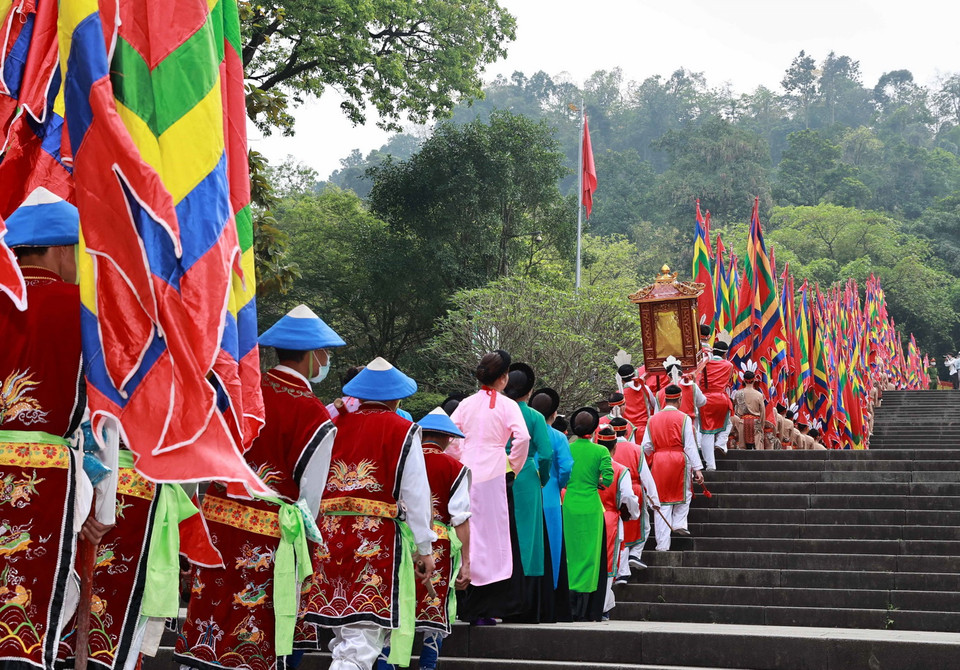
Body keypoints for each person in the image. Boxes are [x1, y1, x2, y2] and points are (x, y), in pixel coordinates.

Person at [176, 305, 341, 670]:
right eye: (325, 353)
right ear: (313, 356)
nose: (326, 360)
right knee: (252, 627)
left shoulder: (240, 389)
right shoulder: (314, 415)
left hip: (215, 522)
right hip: (267, 535)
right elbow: (310, 499)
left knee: (208, 610)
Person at [0, 191, 115, 669]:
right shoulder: (86, 312)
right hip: (47, 480)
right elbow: (105, 417)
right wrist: (103, 505)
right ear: (64, 250)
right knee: (31, 617)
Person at [299, 357, 436, 670]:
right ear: (396, 398)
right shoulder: (404, 430)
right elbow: (416, 494)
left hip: (329, 538)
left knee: (344, 637)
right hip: (375, 542)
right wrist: (425, 547)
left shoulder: (333, 426)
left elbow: (312, 482)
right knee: (361, 641)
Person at [377, 408, 471, 670]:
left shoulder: (400, 461)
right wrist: (466, 562)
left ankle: (387, 665)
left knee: (396, 611)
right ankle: (427, 666)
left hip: (399, 540)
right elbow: (460, 518)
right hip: (438, 545)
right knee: (433, 615)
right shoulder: (456, 468)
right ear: (448, 438)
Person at [448, 350, 530, 625]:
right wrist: (513, 466)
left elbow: (451, 436)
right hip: (495, 472)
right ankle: (488, 606)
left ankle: (466, 604)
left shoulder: (466, 404)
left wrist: (459, 459)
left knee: (468, 533)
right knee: (494, 538)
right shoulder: (508, 405)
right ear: (504, 378)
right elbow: (522, 438)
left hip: (466, 472)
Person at [502, 363, 554, 622]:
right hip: (526, 475)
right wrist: (542, 478)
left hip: (496, 473)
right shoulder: (534, 416)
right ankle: (527, 602)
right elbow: (546, 454)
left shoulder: (498, 412)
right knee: (529, 537)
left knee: (501, 533)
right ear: (530, 390)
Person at [563, 407, 614, 622]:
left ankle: (569, 603)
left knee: (570, 553)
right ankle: (586, 608)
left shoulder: (567, 448)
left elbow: (562, 475)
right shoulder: (601, 451)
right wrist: (597, 483)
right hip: (592, 506)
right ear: (594, 429)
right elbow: (608, 478)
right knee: (590, 556)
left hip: (569, 505)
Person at [641, 385, 704, 551]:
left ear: (664, 399)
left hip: (659, 461)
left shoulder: (652, 419)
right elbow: (689, 446)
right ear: (680, 399)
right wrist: (698, 468)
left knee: (661, 501)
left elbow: (646, 446)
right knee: (685, 493)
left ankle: (662, 545)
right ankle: (679, 522)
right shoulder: (684, 418)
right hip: (678, 460)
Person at [529, 387, 574, 623]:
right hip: (551, 498)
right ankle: (551, 601)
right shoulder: (558, 437)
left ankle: (528, 599)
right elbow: (566, 468)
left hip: (526, 498)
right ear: (554, 414)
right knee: (553, 550)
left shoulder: (521, 435)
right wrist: (558, 483)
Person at [595, 427, 639, 619]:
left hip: (584, 514)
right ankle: (602, 607)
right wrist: (633, 513)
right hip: (610, 518)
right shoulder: (620, 470)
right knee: (608, 563)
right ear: (614, 448)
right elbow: (628, 496)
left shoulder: (584, 465)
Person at [609, 417, 659, 575]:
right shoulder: (636, 449)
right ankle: (635, 555)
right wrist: (654, 499)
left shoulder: (604, 451)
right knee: (644, 526)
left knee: (620, 531)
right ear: (626, 431)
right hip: (634, 489)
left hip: (611, 491)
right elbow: (646, 475)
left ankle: (622, 570)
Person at [697, 339, 736, 469]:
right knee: (727, 424)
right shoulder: (729, 365)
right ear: (725, 353)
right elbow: (728, 381)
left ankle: (710, 465)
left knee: (707, 432)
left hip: (705, 399)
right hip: (721, 398)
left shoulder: (704, 363)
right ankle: (720, 442)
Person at [619, 364, 658, 440]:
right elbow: (654, 405)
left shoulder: (619, 394)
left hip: (628, 432)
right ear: (634, 374)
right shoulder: (644, 388)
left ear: (621, 380)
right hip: (645, 430)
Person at [731, 369, 765, 450]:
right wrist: (762, 425)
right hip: (756, 423)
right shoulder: (759, 395)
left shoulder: (738, 394)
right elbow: (763, 412)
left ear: (744, 380)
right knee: (758, 448)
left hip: (742, 423)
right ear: (754, 380)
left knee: (743, 449)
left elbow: (734, 407)